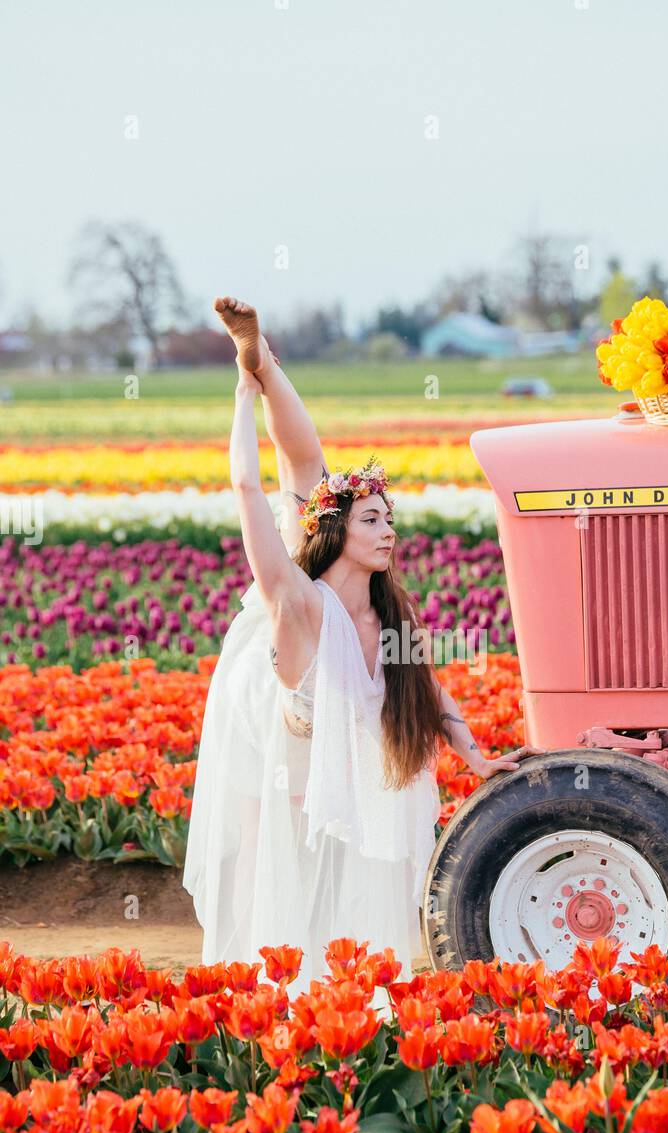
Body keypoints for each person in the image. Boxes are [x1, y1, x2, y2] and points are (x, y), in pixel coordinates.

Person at [182, 297, 540, 998]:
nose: (388, 532)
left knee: (360, 899)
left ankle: (266, 360)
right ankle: (256, 360)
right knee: (280, 906)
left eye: (390, 519)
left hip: (345, 771)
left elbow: (424, 691)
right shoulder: (296, 603)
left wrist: (474, 753)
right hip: (279, 769)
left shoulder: (388, 615)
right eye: (372, 519)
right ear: (340, 531)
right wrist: (241, 394)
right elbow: (251, 484)